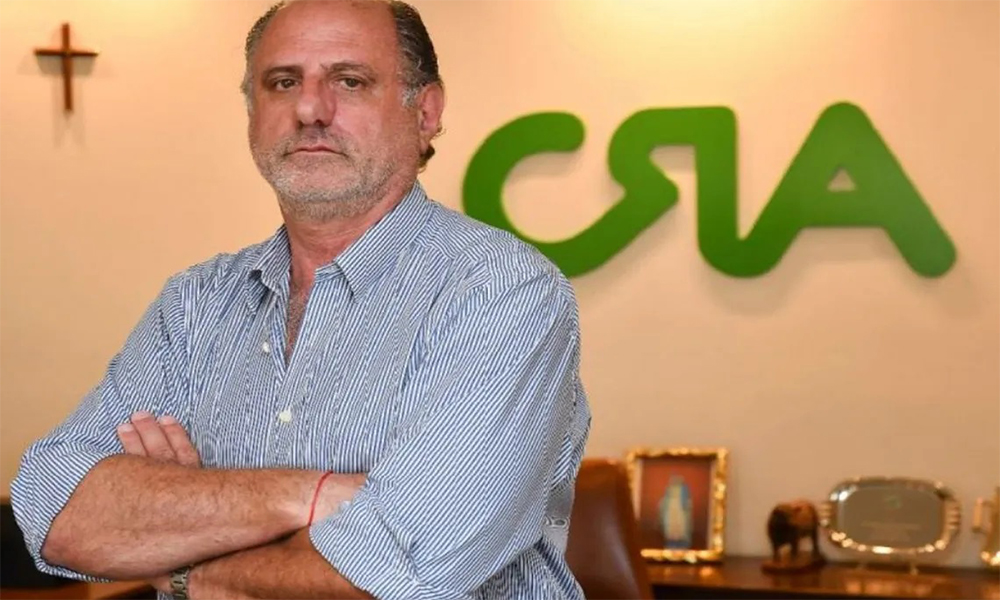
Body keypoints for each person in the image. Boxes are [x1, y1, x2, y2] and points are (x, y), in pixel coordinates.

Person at [9, 1, 591, 598]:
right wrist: (310, 496)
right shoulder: (194, 305)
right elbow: (49, 508)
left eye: (350, 81)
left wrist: (178, 551)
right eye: (283, 82)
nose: (311, 110)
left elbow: (405, 571)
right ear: (252, 112)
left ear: (426, 112)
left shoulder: (501, 293)